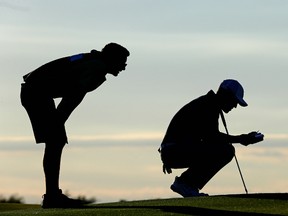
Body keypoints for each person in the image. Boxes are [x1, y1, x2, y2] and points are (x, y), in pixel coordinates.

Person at [20, 43, 130, 208]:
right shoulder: (97, 66)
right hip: (35, 94)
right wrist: (59, 119)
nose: (123, 67)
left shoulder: (95, 62)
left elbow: (73, 92)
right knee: (56, 142)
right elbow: (75, 93)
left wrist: (59, 120)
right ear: (112, 58)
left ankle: (52, 195)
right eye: (122, 62)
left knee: (56, 142)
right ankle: (52, 197)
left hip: (37, 93)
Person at [158, 79, 264, 198]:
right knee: (226, 151)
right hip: (174, 150)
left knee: (223, 149)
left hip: (174, 149)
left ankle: (188, 184)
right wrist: (240, 139)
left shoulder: (208, 104)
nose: (235, 106)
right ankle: (185, 184)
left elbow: (209, 137)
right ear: (225, 95)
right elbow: (212, 137)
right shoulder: (208, 106)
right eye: (234, 101)